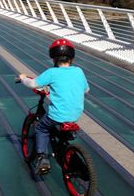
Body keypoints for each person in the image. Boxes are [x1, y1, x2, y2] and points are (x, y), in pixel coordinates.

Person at [18, 39, 90, 175]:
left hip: (57, 115)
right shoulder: (79, 71)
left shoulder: (52, 72)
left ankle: (42, 158)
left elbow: (33, 84)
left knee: (41, 128)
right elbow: (86, 90)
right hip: (76, 114)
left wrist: (22, 78)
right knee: (61, 132)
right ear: (72, 58)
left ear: (53, 59)